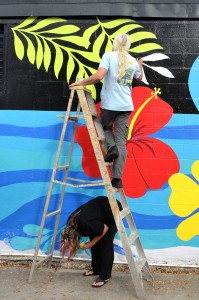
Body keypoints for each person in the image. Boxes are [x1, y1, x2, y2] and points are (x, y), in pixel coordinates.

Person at [70, 33, 143, 189]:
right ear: (128, 45)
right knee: (122, 143)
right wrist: (140, 65)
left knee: (106, 128)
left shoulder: (109, 56)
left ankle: (111, 147)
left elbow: (99, 76)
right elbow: (139, 78)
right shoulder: (133, 61)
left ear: (115, 43)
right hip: (125, 107)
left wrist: (81, 82)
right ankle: (117, 179)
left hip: (110, 106)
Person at [60, 196, 122, 288]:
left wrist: (91, 243)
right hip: (101, 208)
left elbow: (105, 228)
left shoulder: (84, 223)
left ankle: (105, 276)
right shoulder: (70, 223)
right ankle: (96, 269)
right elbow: (66, 240)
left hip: (113, 210)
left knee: (106, 241)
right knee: (94, 235)